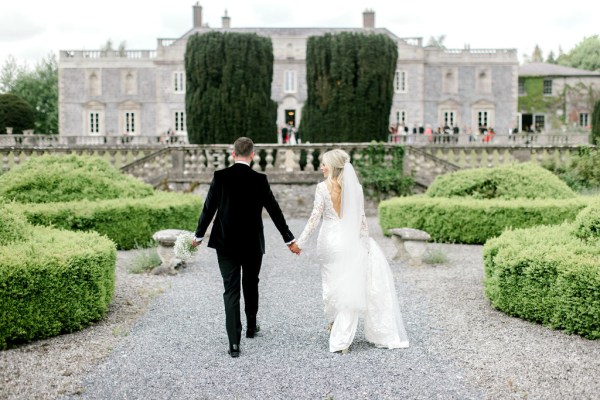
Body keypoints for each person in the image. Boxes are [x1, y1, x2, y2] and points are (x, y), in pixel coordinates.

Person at [192, 137, 301, 358]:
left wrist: (198, 235)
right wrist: (288, 239)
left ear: (233, 154)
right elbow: (274, 210)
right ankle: (251, 326)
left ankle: (234, 342)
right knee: (251, 283)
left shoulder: (220, 177)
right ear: (252, 155)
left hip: (225, 243)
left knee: (231, 289)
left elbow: (208, 208)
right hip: (252, 243)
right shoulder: (259, 179)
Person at [296, 149, 409, 354]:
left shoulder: (322, 188)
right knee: (348, 283)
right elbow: (362, 220)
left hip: (329, 241)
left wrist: (300, 243)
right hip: (349, 241)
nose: (321, 167)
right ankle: (341, 331)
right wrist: (365, 244)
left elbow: (314, 219)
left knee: (330, 284)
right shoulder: (356, 188)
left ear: (332, 167)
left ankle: (335, 327)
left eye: (324, 164)